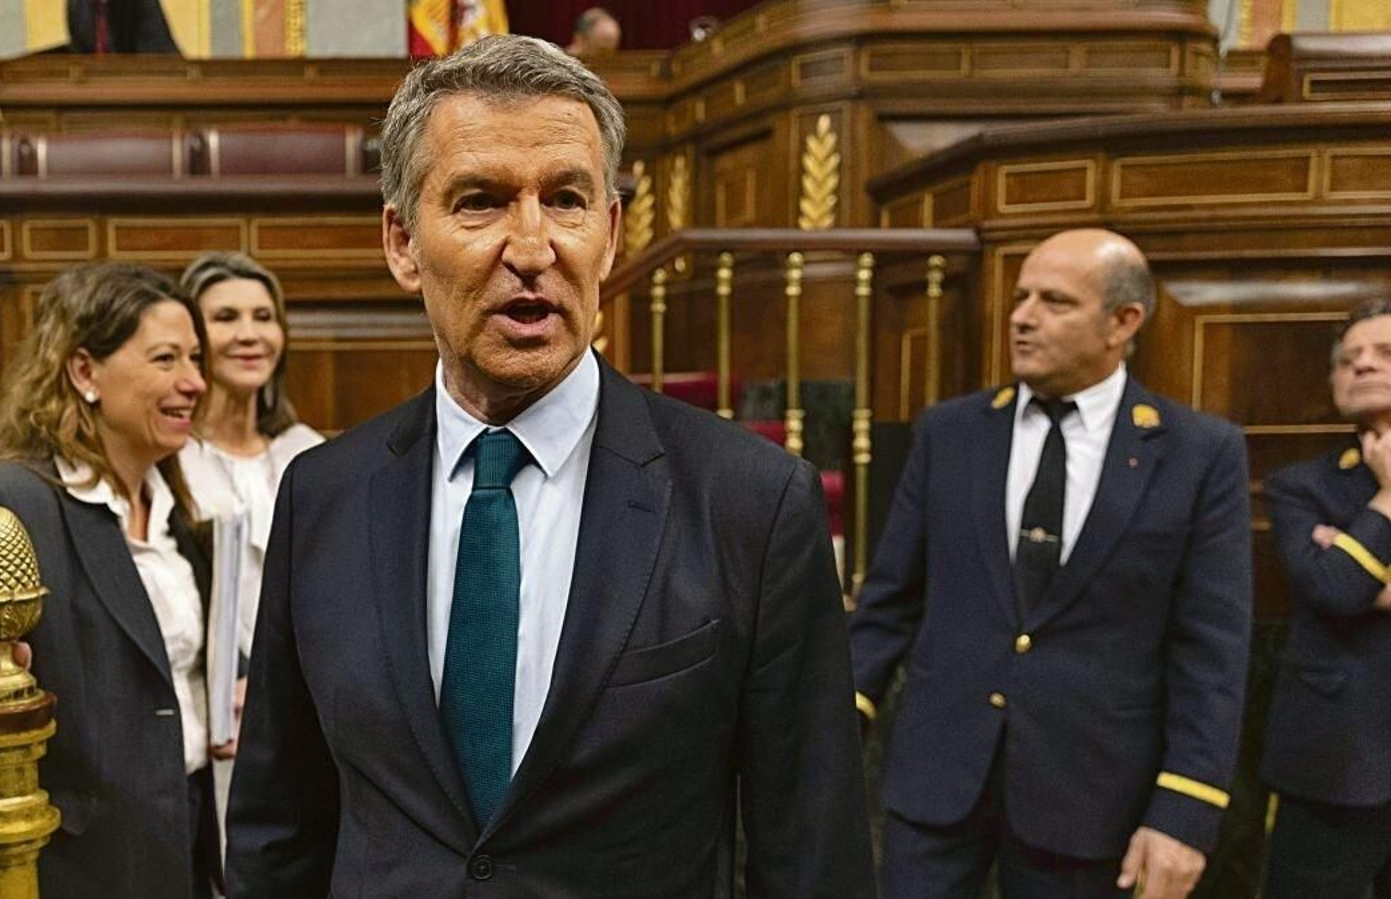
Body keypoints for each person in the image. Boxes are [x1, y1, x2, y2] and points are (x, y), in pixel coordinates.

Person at [226, 34, 874, 897]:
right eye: (480, 201)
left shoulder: (750, 501)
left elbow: (812, 851)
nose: (531, 246)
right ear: (401, 241)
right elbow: (280, 829)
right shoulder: (322, 495)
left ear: (607, 235)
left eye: (565, 200)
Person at [847, 228, 1252, 899]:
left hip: (1091, 799)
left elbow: (1212, 647)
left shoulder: (1198, 453)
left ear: (1124, 322)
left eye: (1054, 301)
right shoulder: (950, 432)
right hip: (938, 782)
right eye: (1021, 296)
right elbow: (890, 600)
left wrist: (1185, 811)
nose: (1022, 317)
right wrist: (838, 725)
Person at [0, 262, 221, 899]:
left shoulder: (175, 506)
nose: (194, 382)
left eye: (194, 358)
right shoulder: (10, 501)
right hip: (63, 864)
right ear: (84, 372)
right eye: (165, 359)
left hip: (180, 837)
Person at [1261, 298, 1391, 898]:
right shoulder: (1300, 486)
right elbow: (1336, 592)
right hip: (1334, 765)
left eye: (1384, 354)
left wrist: (1353, 553)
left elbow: (1345, 577)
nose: (1362, 366)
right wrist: (1388, 497)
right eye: (1348, 359)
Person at [177, 251, 323, 662]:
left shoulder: (305, 451)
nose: (249, 334)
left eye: (263, 317)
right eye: (225, 317)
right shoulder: (171, 460)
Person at [67, 0, 179, 54]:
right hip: (98, 90)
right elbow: (79, 56)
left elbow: (156, 55)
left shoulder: (140, 3)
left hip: (141, 86)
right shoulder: (77, 5)